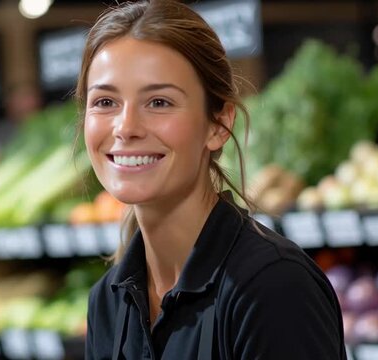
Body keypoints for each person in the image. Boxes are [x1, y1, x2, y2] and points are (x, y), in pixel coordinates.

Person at [76, 0, 347, 359]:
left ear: (219, 124)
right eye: (105, 102)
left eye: (159, 102)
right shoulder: (107, 301)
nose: (125, 128)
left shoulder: (274, 287)